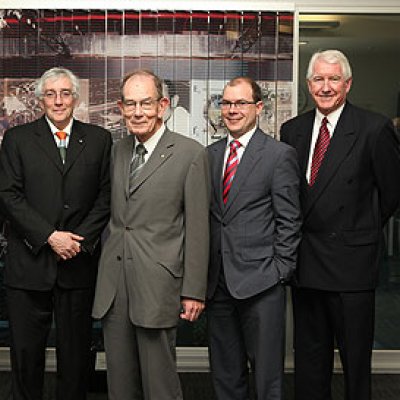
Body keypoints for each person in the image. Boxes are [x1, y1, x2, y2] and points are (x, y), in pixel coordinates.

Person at [280, 49, 400, 400]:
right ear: (308, 84)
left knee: (355, 364)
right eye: (319, 79)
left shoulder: (374, 128)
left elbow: (392, 192)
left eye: (334, 79)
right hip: (306, 264)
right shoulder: (293, 130)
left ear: (347, 84)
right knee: (310, 360)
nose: (326, 86)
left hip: (352, 266)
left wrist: (358, 229)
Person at [92, 69, 209, 400]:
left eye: (145, 103)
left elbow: (198, 227)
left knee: (160, 384)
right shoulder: (116, 152)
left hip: (158, 285)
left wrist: (194, 291)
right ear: (120, 107)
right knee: (120, 384)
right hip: (115, 286)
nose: (137, 112)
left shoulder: (190, 154)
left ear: (163, 105)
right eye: (130, 104)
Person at [0, 67, 112, 400]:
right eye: (50, 94)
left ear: (76, 99)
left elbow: (106, 196)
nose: (58, 100)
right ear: (40, 100)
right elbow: (8, 195)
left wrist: (78, 241)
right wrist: (50, 236)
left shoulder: (98, 139)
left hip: (77, 264)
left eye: (65, 93)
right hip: (29, 264)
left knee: (76, 358)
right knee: (25, 356)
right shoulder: (18, 139)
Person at [207, 76, 302, 400]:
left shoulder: (278, 155)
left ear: (258, 108)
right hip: (218, 283)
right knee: (225, 373)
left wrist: (279, 271)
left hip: (262, 283)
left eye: (241, 103)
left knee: (266, 378)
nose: (232, 110)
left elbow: (289, 219)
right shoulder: (210, 155)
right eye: (227, 103)